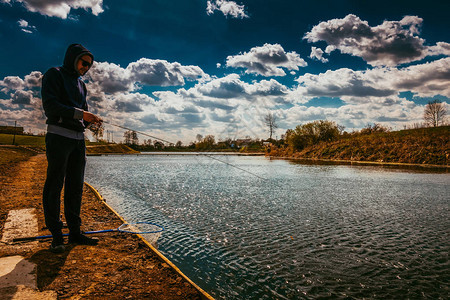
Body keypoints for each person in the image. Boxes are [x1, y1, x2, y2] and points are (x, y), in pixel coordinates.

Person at [41, 44, 102, 253]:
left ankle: (75, 233)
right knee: (54, 185)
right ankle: (57, 236)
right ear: (72, 58)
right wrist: (82, 115)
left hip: (78, 141)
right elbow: (51, 107)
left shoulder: (81, 85)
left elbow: (81, 115)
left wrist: (90, 121)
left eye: (89, 66)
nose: (86, 68)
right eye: (84, 63)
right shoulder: (54, 74)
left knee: (75, 187)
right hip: (58, 137)